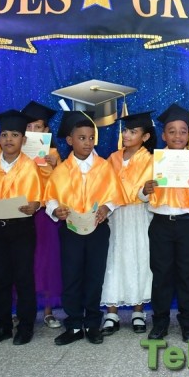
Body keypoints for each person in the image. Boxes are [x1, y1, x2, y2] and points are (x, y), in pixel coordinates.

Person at [139, 103, 189, 342]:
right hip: (161, 224)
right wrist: (145, 190)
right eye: (172, 131)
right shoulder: (154, 161)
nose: (177, 136)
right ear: (164, 135)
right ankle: (160, 322)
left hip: (188, 224)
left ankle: (188, 323)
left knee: (187, 274)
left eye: (182, 131)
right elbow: (141, 194)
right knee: (161, 274)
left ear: (188, 135)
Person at [44, 111, 118, 345]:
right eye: (82, 138)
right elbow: (50, 198)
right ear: (70, 140)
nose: (87, 142)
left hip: (97, 228)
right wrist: (56, 210)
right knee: (72, 276)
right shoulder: (61, 170)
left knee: (95, 276)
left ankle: (93, 323)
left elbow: (114, 195)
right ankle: (74, 324)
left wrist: (106, 207)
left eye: (91, 138)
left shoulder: (104, 167)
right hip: (71, 230)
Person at [0, 110, 43, 345]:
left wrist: (35, 205)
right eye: (4, 134)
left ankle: (25, 325)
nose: (9, 139)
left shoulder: (30, 167)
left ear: (23, 139)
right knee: (1, 277)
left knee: (24, 277)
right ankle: (2, 325)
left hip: (22, 228)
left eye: (15, 134)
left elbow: (38, 197)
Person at [101, 111, 156, 335]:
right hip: (115, 215)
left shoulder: (151, 160)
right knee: (113, 260)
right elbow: (103, 186)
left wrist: (144, 192)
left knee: (139, 259)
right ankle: (111, 312)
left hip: (139, 215)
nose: (126, 135)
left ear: (145, 136)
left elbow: (149, 193)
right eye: (125, 130)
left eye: (133, 131)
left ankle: (138, 311)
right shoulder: (112, 158)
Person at [21, 101, 63, 329]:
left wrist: (56, 166)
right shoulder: (15, 153)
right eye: (28, 127)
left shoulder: (54, 154)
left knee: (46, 262)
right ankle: (20, 309)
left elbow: (64, 185)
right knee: (22, 261)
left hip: (44, 215)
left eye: (38, 127)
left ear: (46, 130)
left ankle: (48, 310)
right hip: (21, 211)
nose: (33, 131)